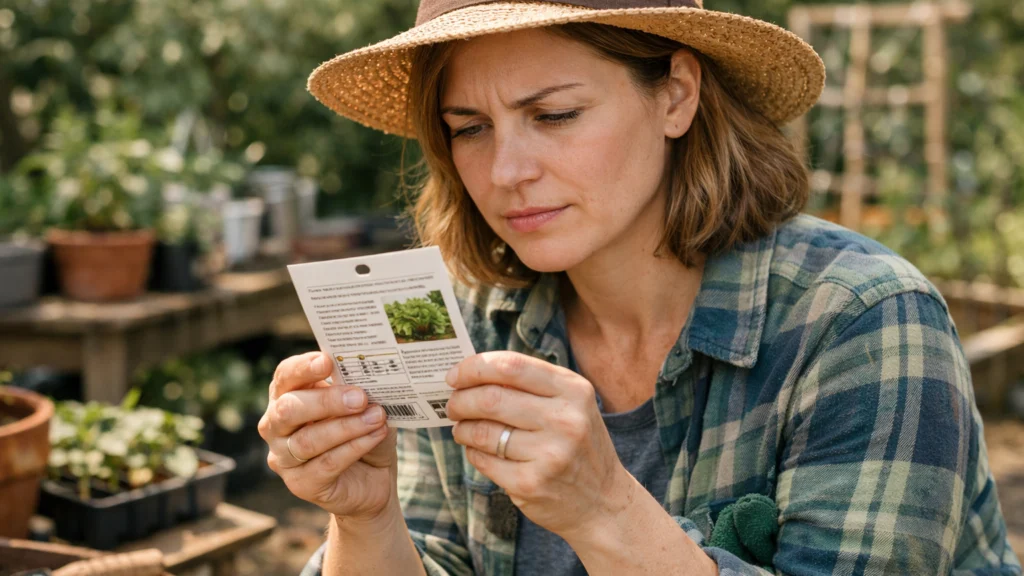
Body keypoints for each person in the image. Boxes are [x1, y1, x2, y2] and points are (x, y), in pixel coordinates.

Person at [259, 1, 1021, 574]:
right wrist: (365, 521)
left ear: (676, 95)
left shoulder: (862, 324)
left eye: (553, 114)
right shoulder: (472, 317)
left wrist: (605, 509)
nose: (505, 172)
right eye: (470, 128)